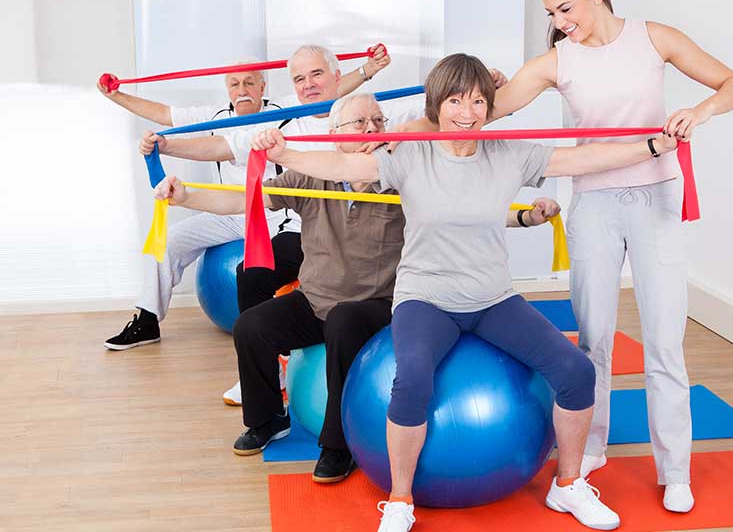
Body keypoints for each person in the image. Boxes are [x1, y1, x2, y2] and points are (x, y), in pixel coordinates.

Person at [252, 53, 678, 531]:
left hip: (493, 299)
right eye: (456, 100)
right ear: (437, 104)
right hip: (425, 299)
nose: (468, 111)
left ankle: (568, 484)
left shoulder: (507, 153)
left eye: (478, 100)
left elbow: (582, 157)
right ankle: (399, 500)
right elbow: (340, 162)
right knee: (411, 379)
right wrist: (283, 153)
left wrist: (652, 146)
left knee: (576, 371)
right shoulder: (410, 155)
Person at [392, 0, 733, 513]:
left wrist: (698, 112)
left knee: (664, 343)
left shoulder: (655, 38)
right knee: (594, 340)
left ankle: (675, 469)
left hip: (656, 200)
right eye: (551, 15)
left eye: (566, 9)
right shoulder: (558, 61)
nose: (560, 24)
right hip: (595, 204)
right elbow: (470, 115)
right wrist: (390, 129)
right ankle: (588, 454)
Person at [152, 92, 562, 483]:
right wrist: (185, 195)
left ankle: (338, 444)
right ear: (336, 134)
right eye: (361, 121)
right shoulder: (310, 176)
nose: (371, 129)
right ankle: (268, 420)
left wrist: (525, 217)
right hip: (315, 300)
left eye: (378, 121)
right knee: (251, 327)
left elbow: (469, 213)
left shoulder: (403, 177)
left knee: (345, 321)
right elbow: (246, 200)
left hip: (380, 304)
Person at [148, 45, 423, 404]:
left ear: (338, 79)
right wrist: (165, 147)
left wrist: (487, 91)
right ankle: (266, 369)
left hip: (365, 238)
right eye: (299, 79)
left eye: (317, 75)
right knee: (251, 270)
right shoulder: (280, 123)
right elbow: (220, 149)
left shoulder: (370, 113)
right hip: (304, 229)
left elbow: (442, 115)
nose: (308, 85)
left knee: (348, 304)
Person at [99, 45, 391, 351]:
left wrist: (367, 71)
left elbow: (327, 92)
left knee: (259, 269)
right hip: (232, 209)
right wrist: (140, 119)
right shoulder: (216, 115)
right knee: (171, 240)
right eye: (234, 83)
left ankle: (269, 347)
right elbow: (196, 134)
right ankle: (147, 319)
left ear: (263, 86)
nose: (242, 89)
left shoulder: (284, 110)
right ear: (226, 88)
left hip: (273, 214)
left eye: (250, 82)